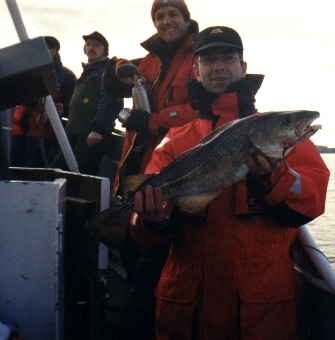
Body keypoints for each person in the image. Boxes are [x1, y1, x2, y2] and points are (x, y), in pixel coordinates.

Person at [129, 26, 330, 339]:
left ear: (243, 66)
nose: (218, 66)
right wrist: (151, 220)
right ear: (195, 71)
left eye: (228, 57)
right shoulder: (174, 140)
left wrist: (273, 176)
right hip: (188, 310)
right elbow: (143, 229)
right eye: (208, 59)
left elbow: (313, 199)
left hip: (260, 314)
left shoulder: (281, 134)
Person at [103, 1, 200, 338]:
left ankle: (141, 324)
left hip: (171, 174)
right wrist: (120, 68)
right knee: (132, 250)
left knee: (152, 262)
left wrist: (154, 120)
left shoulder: (199, 56)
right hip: (138, 167)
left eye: (173, 14)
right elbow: (115, 81)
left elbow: (203, 110)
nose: (165, 20)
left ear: (186, 19)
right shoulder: (151, 59)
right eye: (159, 16)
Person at [50, 31, 123, 175]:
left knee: (82, 177)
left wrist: (99, 129)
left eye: (96, 45)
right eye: (88, 44)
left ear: (105, 50)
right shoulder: (86, 73)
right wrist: (64, 109)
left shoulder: (107, 72)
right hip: (73, 134)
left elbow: (111, 101)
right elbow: (84, 106)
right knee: (55, 171)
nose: (91, 47)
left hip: (91, 136)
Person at [10, 36, 76, 168]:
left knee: (33, 171)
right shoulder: (26, 72)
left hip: (41, 134)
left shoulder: (66, 76)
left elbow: (72, 107)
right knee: (13, 168)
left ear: (54, 51)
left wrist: (53, 112)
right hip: (18, 130)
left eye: (45, 49)